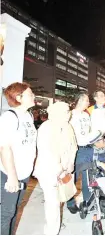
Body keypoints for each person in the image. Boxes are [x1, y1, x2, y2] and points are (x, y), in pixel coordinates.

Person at [33, 102, 77, 235]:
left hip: (65, 169)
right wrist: (59, 168)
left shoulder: (68, 126)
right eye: (65, 111)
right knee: (52, 203)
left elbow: (74, 146)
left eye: (68, 111)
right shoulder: (46, 128)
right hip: (49, 171)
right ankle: (51, 231)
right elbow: (46, 150)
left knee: (59, 199)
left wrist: (70, 163)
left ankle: (55, 224)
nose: (68, 113)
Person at [0, 82, 37, 235]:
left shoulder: (28, 116)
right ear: (19, 97)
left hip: (24, 173)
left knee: (15, 210)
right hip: (10, 174)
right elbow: (4, 148)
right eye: (30, 94)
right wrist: (12, 177)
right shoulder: (9, 117)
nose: (33, 96)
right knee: (6, 213)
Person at [66, 92, 101, 214]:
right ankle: (70, 202)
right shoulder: (70, 115)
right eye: (86, 100)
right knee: (72, 177)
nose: (88, 102)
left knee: (88, 176)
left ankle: (87, 202)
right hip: (76, 150)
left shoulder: (86, 115)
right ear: (80, 100)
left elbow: (89, 131)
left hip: (88, 148)